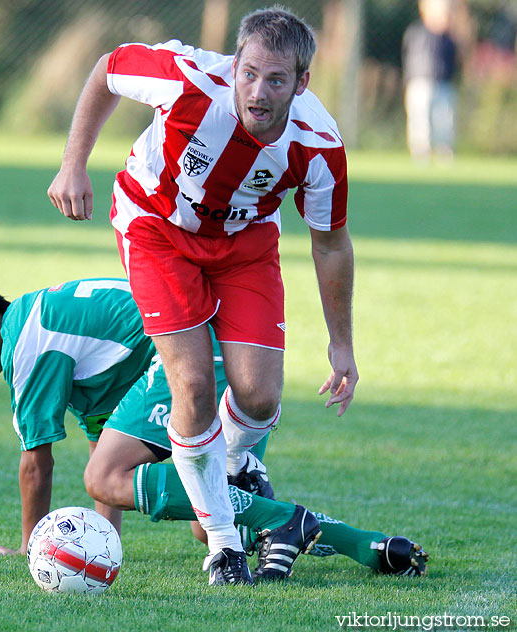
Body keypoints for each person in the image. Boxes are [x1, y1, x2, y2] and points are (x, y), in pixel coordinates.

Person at [47, 6, 358, 584]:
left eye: (276, 80)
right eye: (249, 73)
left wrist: (342, 344)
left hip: (244, 244)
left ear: (302, 83)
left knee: (260, 397)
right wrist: (74, 164)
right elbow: (106, 69)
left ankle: (233, 470)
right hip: (156, 229)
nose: (258, 92)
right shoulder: (186, 77)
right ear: (233, 64)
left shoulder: (318, 146)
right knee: (192, 383)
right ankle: (222, 544)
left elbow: (331, 244)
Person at [0, 270, 428, 583]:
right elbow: (106, 449)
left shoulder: (27, 341)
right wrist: (100, 544)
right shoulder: (53, 326)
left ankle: (285, 517)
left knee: (112, 481)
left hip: (194, 362)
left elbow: (35, 466)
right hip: (231, 358)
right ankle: (372, 546)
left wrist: (31, 545)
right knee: (208, 524)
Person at [402, 0, 459, 161]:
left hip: (443, 83)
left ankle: (444, 150)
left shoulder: (449, 39)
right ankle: (420, 151)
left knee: (444, 120)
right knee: (419, 119)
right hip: (419, 82)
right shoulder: (415, 32)